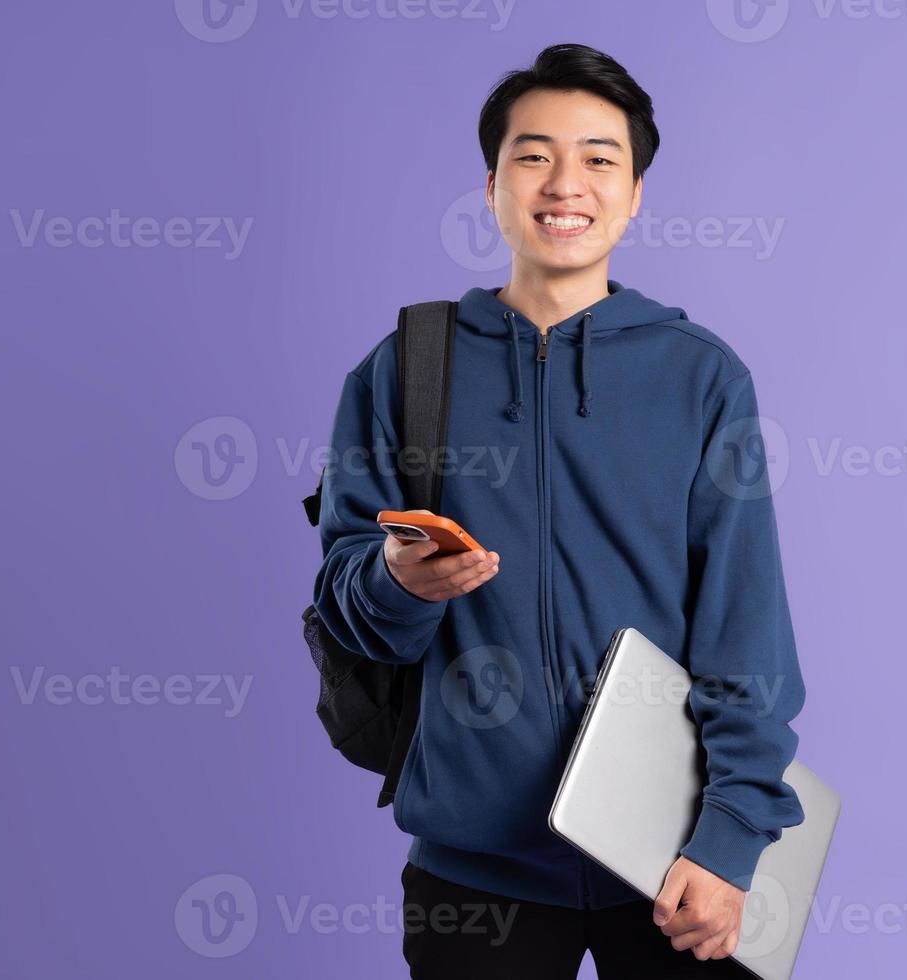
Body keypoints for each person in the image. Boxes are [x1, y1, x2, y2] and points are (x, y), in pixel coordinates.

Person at [312, 42, 807, 979]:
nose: (564, 183)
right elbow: (348, 602)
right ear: (491, 183)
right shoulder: (403, 369)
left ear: (635, 192)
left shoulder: (699, 376)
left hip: (676, 861)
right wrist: (398, 582)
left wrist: (731, 838)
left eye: (599, 158)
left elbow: (748, 628)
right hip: (473, 871)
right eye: (533, 155)